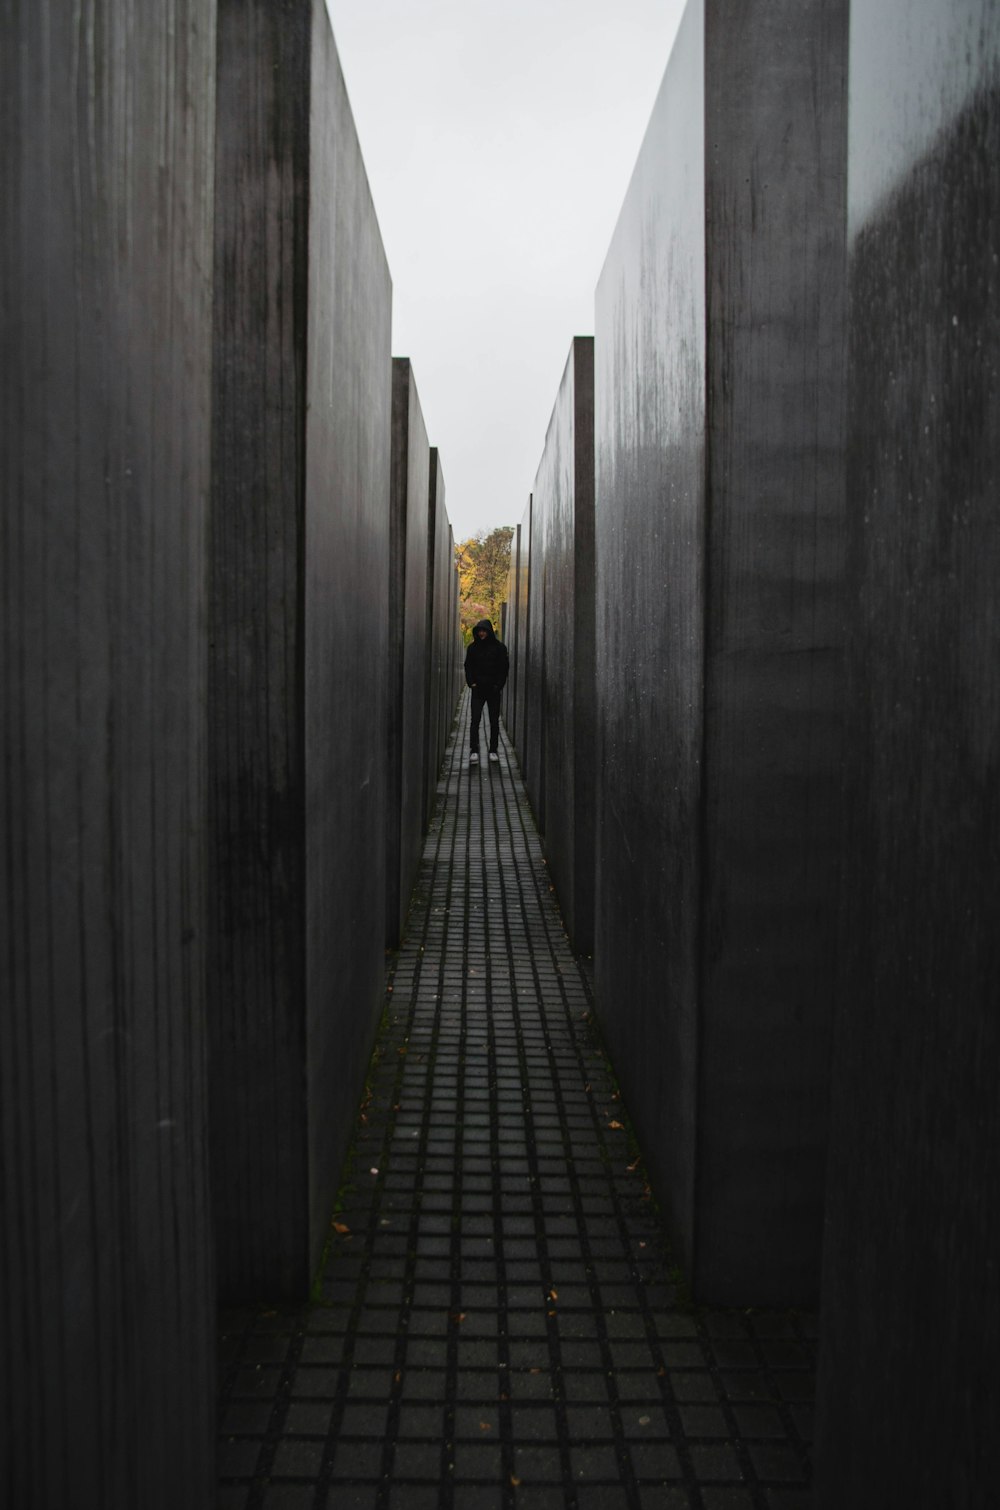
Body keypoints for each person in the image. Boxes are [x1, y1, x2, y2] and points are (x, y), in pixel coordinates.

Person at [464, 618, 509, 766]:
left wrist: (498, 686)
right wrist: (472, 683)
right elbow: (468, 667)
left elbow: (504, 668)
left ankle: (493, 750)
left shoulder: (500, 648)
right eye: (480, 631)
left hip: (493, 690)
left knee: (494, 721)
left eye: (484, 631)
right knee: (475, 720)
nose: (482, 633)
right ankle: (474, 750)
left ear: (489, 632)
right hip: (478, 690)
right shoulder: (472, 648)